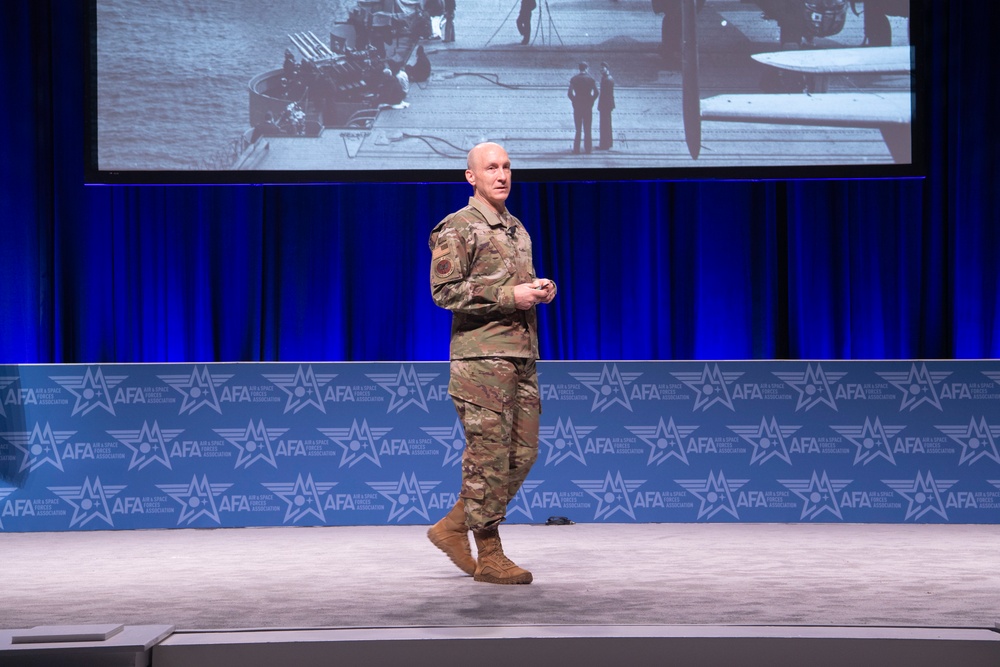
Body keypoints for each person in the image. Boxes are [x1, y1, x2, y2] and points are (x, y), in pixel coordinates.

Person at [426, 142, 556, 585]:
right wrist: (508, 296)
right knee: (488, 458)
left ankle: (452, 526)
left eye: (506, 167)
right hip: (481, 360)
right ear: (471, 177)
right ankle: (491, 555)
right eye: (491, 168)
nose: (501, 175)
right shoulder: (458, 227)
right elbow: (444, 293)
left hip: (521, 355)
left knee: (522, 453)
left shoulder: (517, 228)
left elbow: (511, 286)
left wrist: (537, 288)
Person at [567, 61, 598, 154]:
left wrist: (574, 101)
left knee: (578, 129)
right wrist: (591, 100)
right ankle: (588, 149)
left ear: (579, 69)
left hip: (577, 107)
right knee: (588, 128)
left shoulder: (574, 79)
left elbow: (569, 93)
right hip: (588, 106)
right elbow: (596, 93)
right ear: (586, 68)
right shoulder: (591, 79)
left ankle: (576, 149)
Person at [597, 61, 615, 150]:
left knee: (604, 125)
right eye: (600, 68)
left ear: (606, 69)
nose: (601, 70)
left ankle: (604, 145)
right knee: (607, 124)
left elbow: (605, 95)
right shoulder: (607, 78)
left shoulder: (607, 80)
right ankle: (608, 143)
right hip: (607, 105)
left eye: (602, 68)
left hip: (605, 105)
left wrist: (600, 105)